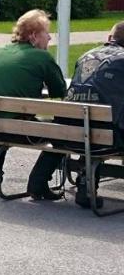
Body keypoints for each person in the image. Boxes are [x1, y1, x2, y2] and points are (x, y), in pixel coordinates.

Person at [30, 22, 124, 208]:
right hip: (106, 139)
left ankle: (37, 182)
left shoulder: (84, 56)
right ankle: (85, 188)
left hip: (70, 134)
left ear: (109, 38)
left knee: (85, 127)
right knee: (102, 126)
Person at [0, 10, 67, 199]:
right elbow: (60, 91)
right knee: (65, 134)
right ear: (34, 36)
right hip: (22, 131)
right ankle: (38, 183)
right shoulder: (41, 57)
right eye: (46, 33)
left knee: (1, 122)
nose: (49, 37)